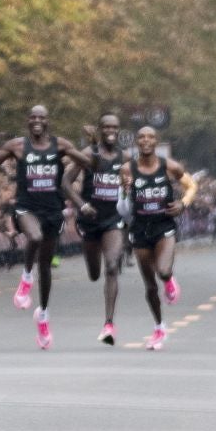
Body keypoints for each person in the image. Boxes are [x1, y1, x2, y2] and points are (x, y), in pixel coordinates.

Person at [0, 106, 91, 349]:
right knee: (35, 237)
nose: (37, 120)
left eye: (41, 117)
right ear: (28, 121)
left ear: (48, 121)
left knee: (46, 267)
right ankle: (26, 277)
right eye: (33, 117)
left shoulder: (61, 145)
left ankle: (43, 314)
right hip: (26, 208)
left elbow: (90, 164)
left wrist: (94, 144)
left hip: (53, 210)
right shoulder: (17, 146)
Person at [120, 127, 195, 350]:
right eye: (141, 137)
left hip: (164, 226)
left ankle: (169, 280)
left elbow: (191, 186)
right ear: (136, 141)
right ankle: (159, 327)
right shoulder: (127, 169)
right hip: (140, 228)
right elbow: (122, 208)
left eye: (150, 137)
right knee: (150, 286)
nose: (146, 140)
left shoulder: (170, 166)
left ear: (156, 141)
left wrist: (183, 203)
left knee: (162, 271)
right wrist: (124, 191)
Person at [63, 114, 126, 345]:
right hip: (89, 220)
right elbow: (65, 182)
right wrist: (82, 205)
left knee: (112, 266)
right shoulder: (89, 154)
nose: (111, 130)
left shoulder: (125, 157)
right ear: (100, 129)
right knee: (94, 274)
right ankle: (94, 264)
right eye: (106, 127)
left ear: (119, 130)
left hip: (113, 219)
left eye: (114, 127)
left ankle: (109, 324)